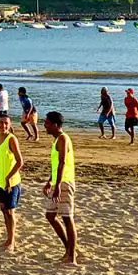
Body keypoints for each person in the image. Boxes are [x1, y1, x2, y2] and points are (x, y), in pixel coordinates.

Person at [42, 111, 78, 266]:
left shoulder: (63, 139)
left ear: (56, 125)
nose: (45, 125)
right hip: (57, 181)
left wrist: (57, 185)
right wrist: (50, 181)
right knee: (50, 216)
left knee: (67, 218)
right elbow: (56, 165)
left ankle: (72, 256)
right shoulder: (56, 140)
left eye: (47, 123)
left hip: (64, 182)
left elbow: (62, 162)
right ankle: (69, 248)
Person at [0, 110, 24, 251]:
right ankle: (7, 238)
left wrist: (8, 177)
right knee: (3, 209)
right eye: (1, 123)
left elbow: (20, 162)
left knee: (10, 212)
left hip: (11, 182)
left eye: (6, 123)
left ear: (10, 125)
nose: (3, 126)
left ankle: (12, 241)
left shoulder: (12, 139)